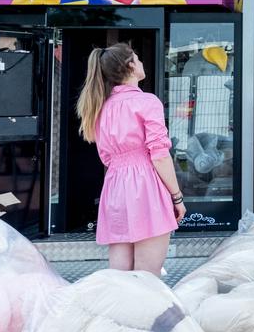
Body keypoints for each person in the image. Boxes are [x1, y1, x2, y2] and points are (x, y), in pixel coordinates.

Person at [75, 43, 187, 273]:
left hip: (115, 187)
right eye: (138, 58)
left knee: (121, 278)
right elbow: (159, 155)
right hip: (146, 186)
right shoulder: (147, 102)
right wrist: (176, 197)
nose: (142, 63)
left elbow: (106, 157)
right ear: (131, 66)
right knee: (147, 278)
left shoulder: (99, 107)